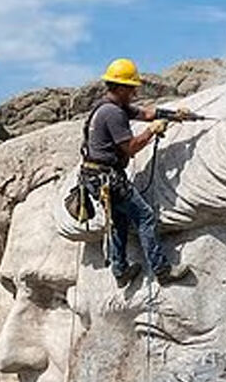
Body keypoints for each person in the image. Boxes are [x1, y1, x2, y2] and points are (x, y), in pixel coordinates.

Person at [80, 58, 190, 287]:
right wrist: (151, 132)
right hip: (107, 179)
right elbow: (130, 148)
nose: (134, 92)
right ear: (120, 88)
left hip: (96, 178)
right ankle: (162, 270)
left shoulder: (109, 106)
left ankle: (120, 272)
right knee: (145, 216)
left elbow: (146, 114)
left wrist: (172, 114)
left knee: (119, 222)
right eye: (131, 88)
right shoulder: (113, 114)